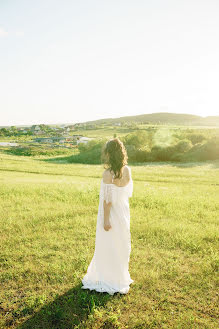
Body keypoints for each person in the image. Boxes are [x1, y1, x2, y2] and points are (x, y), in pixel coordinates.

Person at [81, 137, 134, 295]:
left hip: (111, 214)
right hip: (124, 212)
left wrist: (105, 220)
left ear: (110, 154)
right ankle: (120, 276)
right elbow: (127, 193)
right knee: (121, 243)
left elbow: (107, 201)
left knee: (108, 244)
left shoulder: (107, 174)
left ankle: (109, 278)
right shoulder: (127, 170)